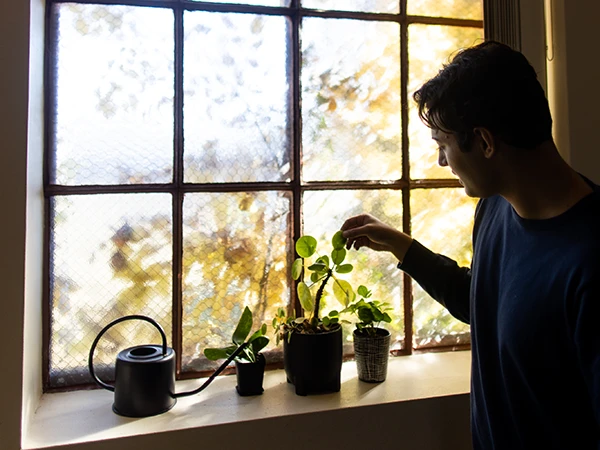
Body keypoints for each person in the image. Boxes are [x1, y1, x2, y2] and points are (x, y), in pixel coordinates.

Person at [341, 40, 600, 449]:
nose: (443, 162)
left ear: (484, 142)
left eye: (443, 146)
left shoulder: (592, 260)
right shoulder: (495, 209)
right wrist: (400, 245)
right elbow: (482, 303)